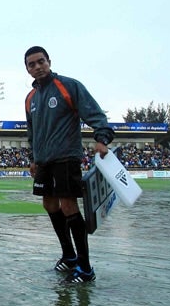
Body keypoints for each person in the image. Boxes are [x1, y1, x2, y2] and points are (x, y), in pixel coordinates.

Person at [24, 46, 114, 284]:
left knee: (68, 205)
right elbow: (32, 131)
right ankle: (69, 255)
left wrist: (102, 139)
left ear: (49, 61)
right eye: (31, 64)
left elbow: (95, 114)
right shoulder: (30, 98)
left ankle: (85, 269)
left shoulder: (68, 86)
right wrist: (33, 158)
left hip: (66, 156)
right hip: (43, 161)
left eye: (40, 61)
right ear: (27, 69)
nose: (37, 67)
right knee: (49, 204)